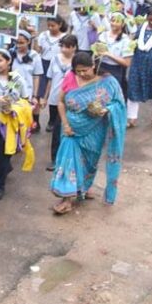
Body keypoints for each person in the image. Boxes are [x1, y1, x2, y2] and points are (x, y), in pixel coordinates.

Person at [49, 52, 127, 215]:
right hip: (71, 130)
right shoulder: (70, 77)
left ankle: (83, 187)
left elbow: (118, 104)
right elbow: (61, 102)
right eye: (78, 71)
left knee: (89, 162)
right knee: (69, 162)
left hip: (94, 130)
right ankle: (67, 199)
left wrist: (106, 109)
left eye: (85, 70)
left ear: (94, 66)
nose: (82, 74)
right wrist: (65, 124)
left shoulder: (108, 82)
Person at [0, 49, 25, 200]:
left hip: (8, 122)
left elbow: (20, 98)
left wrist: (7, 102)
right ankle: (5, 168)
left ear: (8, 61)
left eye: (0, 60)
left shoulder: (15, 78)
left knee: (4, 153)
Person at [43, 35, 77, 171]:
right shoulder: (55, 59)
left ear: (74, 47)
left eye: (67, 47)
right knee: (57, 131)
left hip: (71, 101)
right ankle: (55, 159)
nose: (64, 49)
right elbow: (50, 79)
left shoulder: (77, 62)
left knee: (69, 129)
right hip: (55, 99)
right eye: (62, 46)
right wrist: (45, 97)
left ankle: (69, 159)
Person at [35, 16, 68, 132]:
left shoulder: (64, 38)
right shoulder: (43, 36)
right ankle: (36, 120)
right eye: (48, 25)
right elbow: (38, 50)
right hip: (43, 64)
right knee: (40, 92)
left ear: (60, 25)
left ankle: (52, 120)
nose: (50, 28)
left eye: (53, 26)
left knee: (55, 93)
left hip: (57, 66)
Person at [10, 30, 44, 134]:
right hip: (14, 87)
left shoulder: (34, 56)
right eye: (16, 42)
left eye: (21, 43)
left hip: (28, 89)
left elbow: (36, 76)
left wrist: (35, 95)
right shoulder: (11, 54)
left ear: (28, 42)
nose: (18, 45)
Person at [97, 13, 133, 95]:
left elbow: (127, 63)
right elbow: (97, 53)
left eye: (117, 21)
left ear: (123, 24)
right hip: (101, 67)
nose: (114, 23)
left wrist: (108, 54)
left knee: (112, 94)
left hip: (115, 70)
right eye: (112, 21)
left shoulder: (126, 40)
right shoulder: (103, 35)